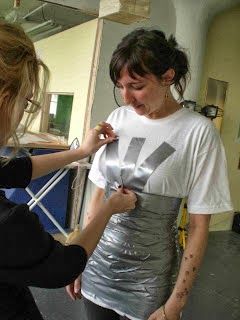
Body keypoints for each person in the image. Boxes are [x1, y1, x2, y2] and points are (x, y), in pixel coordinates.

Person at [66, 28, 233, 320]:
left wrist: (176, 304)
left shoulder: (198, 133)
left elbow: (198, 226)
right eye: (120, 86)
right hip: (98, 268)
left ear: (167, 77)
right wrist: (79, 260)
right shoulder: (118, 119)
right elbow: (97, 198)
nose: (126, 97)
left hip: (149, 283)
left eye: (137, 86)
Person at [0, 20, 137, 320]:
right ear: (5, 100)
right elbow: (63, 266)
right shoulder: (9, 225)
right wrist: (109, 208)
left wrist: (81, 152)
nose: (24, 112)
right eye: (26, 101)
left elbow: (16, 171)